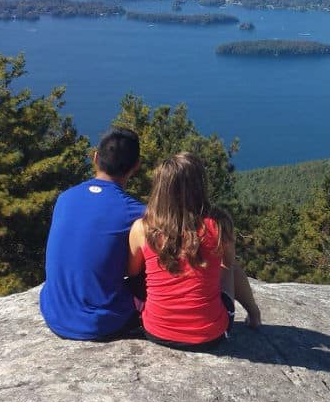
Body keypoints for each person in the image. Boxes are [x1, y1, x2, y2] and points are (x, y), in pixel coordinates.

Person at [127, 152, 261, 350]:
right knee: (232, 268)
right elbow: (228, 264)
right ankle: (254, 315)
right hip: (210, 335)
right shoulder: (219, 224)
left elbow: (131, 271)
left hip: (155, 331)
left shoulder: (142, 228)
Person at [40, 127, 144, 340]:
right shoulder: (136, 212)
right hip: (101, 322)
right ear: (136, 167)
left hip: (54, 312)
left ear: (95, 158)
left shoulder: (65, 198)